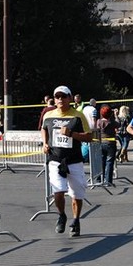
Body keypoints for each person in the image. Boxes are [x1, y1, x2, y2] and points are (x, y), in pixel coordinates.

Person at [41, 85, 92, 237]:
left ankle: (76, 220)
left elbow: (89, 137)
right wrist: (45, 143)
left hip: (74, 160)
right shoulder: (48, 115)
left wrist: (72, 134)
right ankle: (62, 215)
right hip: (55, 160)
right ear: (54, 99)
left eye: (63, 96)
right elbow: (44, 128)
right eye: (57, 97)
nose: (60, 99)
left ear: (70, 98)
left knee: (77, 195)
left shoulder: (78, 116)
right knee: (58, 191)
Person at [96, 105, 119, 186]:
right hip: (111, 143)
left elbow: (97, 130)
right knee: (109, 162)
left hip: (102, 143)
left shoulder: (99, 121)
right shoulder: (112, 122)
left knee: (101, 161)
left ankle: (99, 178)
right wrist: (116, 115)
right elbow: (118, 124)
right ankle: (108, 180)